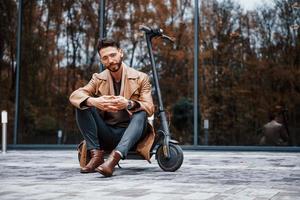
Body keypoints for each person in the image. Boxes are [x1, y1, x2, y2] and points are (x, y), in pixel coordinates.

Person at [69, 38, 155, 177]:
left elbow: (150, 107)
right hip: (108, 133)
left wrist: (128, 103)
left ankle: (113, 160)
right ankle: (96, 156)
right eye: (105, 58)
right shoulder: (97, 78)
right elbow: (75, 95)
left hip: (134, 134)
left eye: (113, 55)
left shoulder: (141, 77)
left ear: (121, 53)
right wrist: (94, 101)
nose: (110, 60)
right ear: (101, 60)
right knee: (83, 104)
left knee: (142, 112)